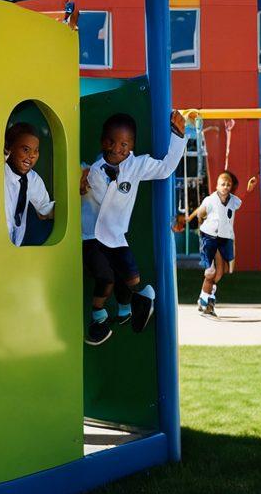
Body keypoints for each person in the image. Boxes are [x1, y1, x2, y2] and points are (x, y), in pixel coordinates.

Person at [79, 110, 185, 345]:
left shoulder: (137, 166)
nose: (117, 148)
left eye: (124, 144)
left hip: (115, 236)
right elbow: (79, 177)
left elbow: (166, 168)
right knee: (105, 277)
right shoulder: (90, 171)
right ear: (102, 141)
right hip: (91, 237)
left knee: (132, 277)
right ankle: (98, 317)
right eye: (111, 141)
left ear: (132, 145)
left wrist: (177, 135)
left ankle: (127, 310)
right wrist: (80, 176)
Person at [176, 170, 257, 317]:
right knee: (211, 272)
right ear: (217, 186)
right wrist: (193, 220)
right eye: (222, 184)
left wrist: (249, 188)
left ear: (231, 186)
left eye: (228, 184)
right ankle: (207, 302)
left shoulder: (233, 200)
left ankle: (205, 297)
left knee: (220, 272)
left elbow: (242, 198)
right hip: (209, 237)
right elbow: (200, 212)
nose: (225, 187)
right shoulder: (210, 200)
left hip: (224, 239)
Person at [3, 122, 55, 246]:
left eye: (36, 151)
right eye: (25, 149)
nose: (31, 155)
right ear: (9, 148)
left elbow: (44, 211)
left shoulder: (32, 178)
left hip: (16, 245)